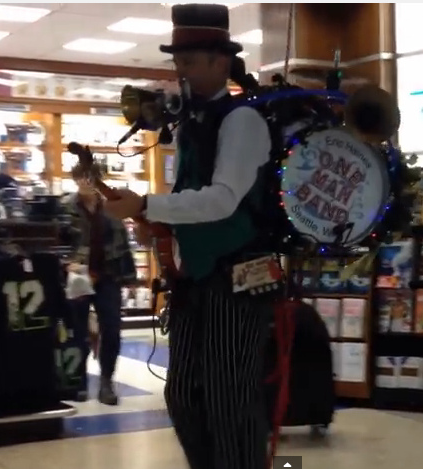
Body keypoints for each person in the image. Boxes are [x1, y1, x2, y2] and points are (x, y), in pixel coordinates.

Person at [103, 4, 272, 469]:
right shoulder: (193, 124)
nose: (179, 70)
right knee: (182, 395)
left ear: (220, 61)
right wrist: (159, 224)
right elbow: (194, 201)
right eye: (177, 60)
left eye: (189, 60)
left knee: (228, 402)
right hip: (197, 279)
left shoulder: (241, 121)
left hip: (238, 280)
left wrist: (147, 205)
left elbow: (221, 200)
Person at [62, 164, 137, 405]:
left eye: (91, 177)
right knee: (78, 330)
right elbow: (56, 241)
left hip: (108, 276)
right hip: (78, 276)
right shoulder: (65, 207)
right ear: (75, 179)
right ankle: (79, 380)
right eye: (82, 177)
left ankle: (106, 381)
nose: (86, 181)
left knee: (112, 329)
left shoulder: (112, 207)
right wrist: (66, 264)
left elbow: (123, 242)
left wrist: (129, 276)